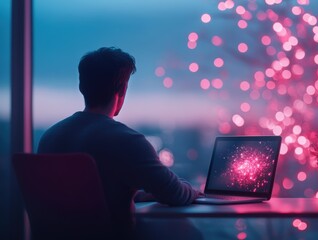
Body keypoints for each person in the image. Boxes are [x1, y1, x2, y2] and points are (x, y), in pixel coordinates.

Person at [37, 47, 202, 239]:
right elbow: (175, 194)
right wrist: (194, 191)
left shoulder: (49, 138)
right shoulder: (127, 141)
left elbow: (82, 199)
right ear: (123, 89)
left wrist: (136, 195)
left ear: (81, 87)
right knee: (187, 232)